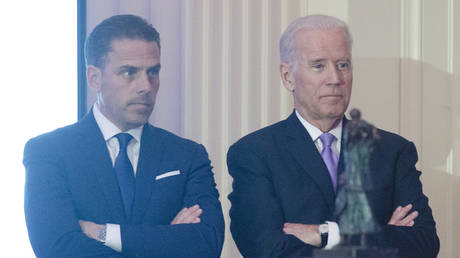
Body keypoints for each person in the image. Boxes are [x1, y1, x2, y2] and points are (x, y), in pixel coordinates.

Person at [227, 14, 439, 258]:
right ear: (288, 77)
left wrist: (327, 234)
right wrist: (379, 238)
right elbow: (267, 250)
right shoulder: (255, 153)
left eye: (343, 65)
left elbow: (424, 244)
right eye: (319, 66)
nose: (335, 79)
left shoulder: (393, 151)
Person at [24, 14, 224, 258]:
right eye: (129, 72)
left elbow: (207, 243)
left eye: (153, 72)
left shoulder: (187, 155)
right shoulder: (49, 152)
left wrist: (105, 234)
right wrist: (167, 240)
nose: (146, 86)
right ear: (94, 78)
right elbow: (59, 249)